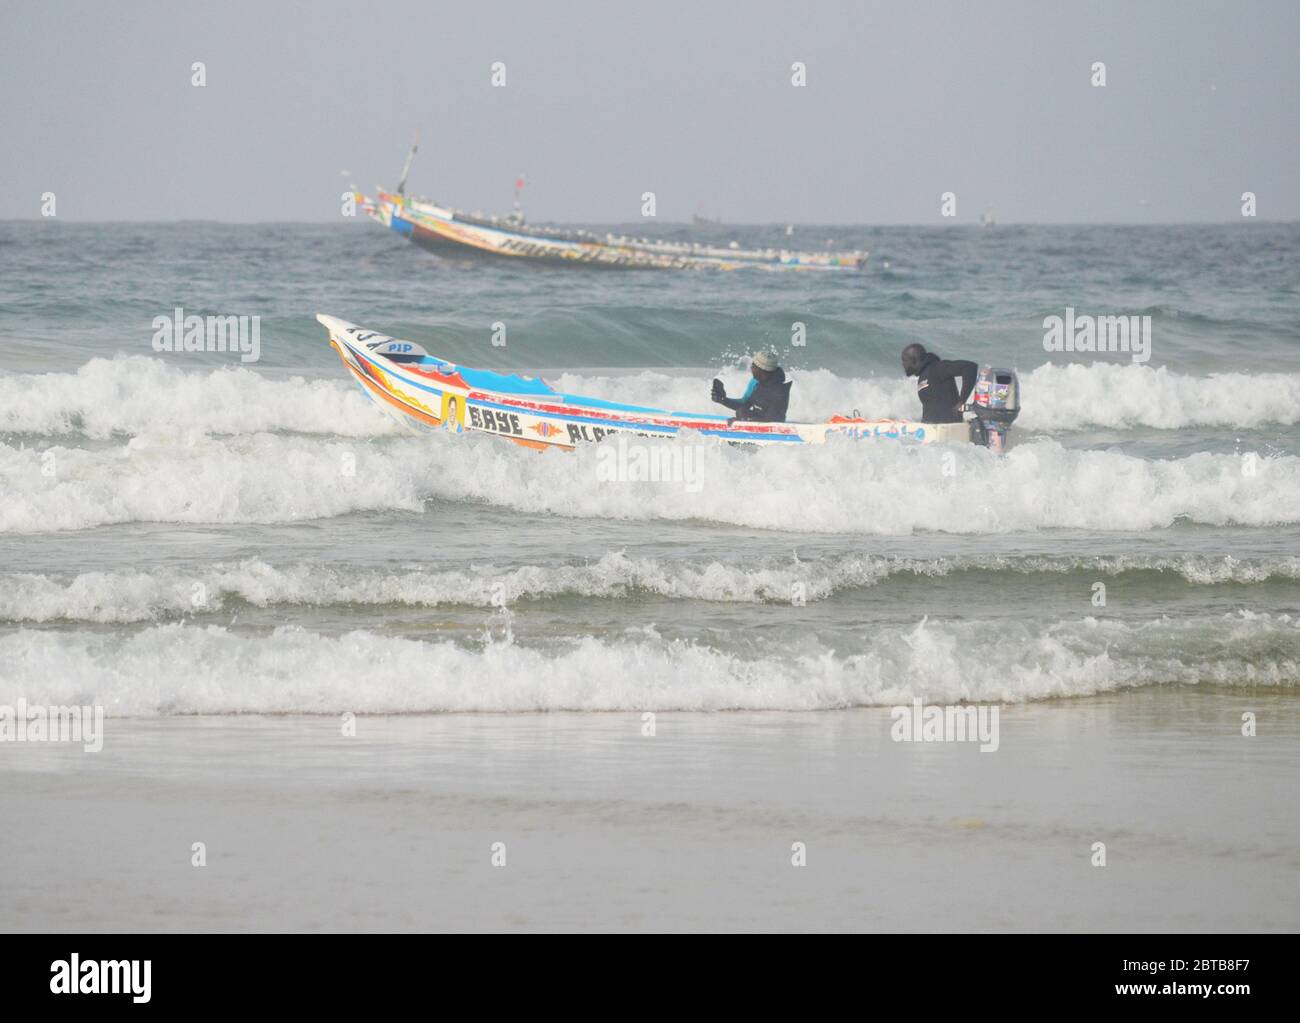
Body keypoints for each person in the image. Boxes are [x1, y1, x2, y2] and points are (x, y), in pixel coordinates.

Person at [900, 343, 979, 424]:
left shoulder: (938, 368)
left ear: (914, 360)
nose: (903, 364)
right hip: (933, 429)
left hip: (948, 428)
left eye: (904, 360)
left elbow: (970, 367)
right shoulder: (923, 375)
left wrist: (962, 400)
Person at [711, 351, 791, 422]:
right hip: (759, 422)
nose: (751, 368)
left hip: (773, 428)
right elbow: (745, 404)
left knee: (742, 412)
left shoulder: (779, 391)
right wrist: (723, 400)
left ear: (761, 370)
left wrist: (745, 417)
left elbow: (773, 419)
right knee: (741, 411)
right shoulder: (757, 382)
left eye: (753, 365)